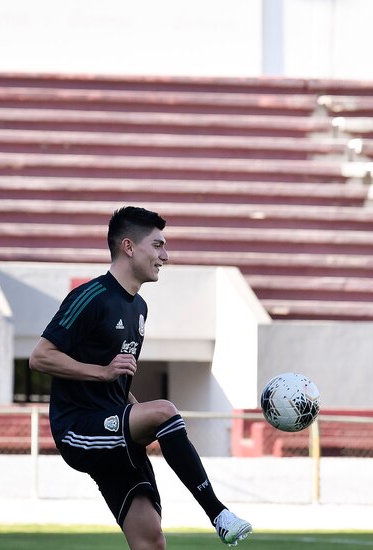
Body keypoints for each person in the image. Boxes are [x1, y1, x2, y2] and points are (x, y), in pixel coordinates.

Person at [29, 206, 252, 549]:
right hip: (79, 429)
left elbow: (117, 382)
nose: (166, 255)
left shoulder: (139, 308)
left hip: (114, 427)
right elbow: (40, 357)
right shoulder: (90, 297)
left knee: (151, 539)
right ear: (129, 247)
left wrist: (135, 406)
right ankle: (218, 514)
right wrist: (102, 373)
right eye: (158, 245)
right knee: (165, 410)